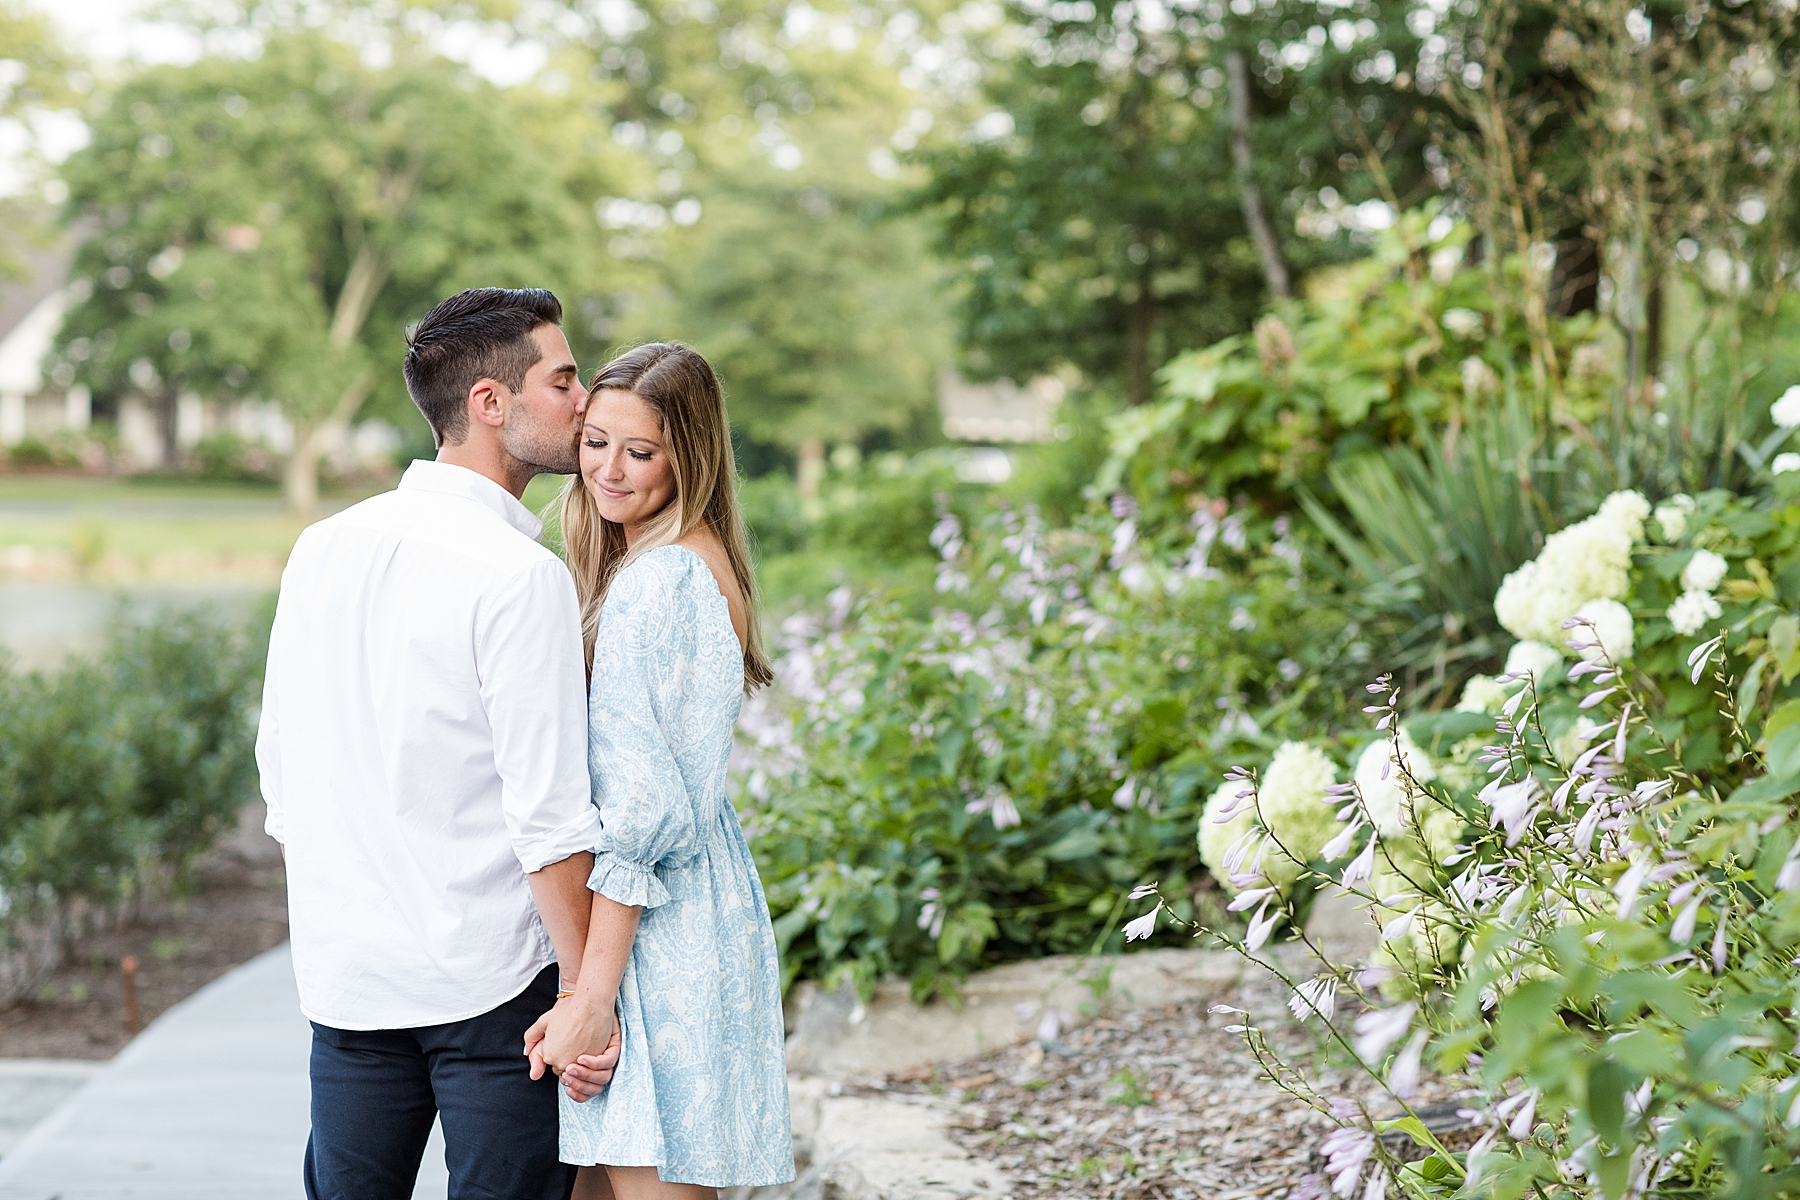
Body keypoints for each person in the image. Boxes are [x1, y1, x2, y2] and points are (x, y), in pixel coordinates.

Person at [257, 287, 619, 1200]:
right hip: (491, 992)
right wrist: (584, 998)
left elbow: (282, 779)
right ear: (489, 403)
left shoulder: (322, 545)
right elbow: (550, 818)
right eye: (564, 379)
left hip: (348, 985)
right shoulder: (517, 576)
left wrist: (344, 925)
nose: (585, 403)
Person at [526, 343, 795, 1199]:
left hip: (654, 931)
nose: (607, 470)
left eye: (640, 452)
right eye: (595, 440)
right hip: (691, 905)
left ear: (691, 456)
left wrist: (589, 997)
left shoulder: (661, 582)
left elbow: (641, 816)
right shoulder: (688, 559)